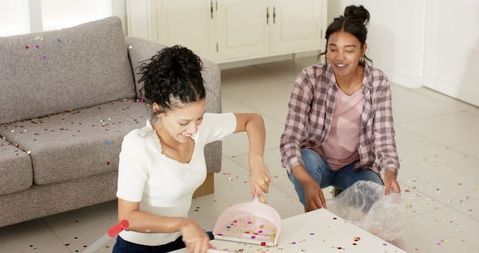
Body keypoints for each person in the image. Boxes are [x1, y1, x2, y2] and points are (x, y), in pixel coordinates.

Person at [113, 45, 271, 253]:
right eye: (184, 122)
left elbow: (253, 120)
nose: (193, 129)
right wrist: (184, 224)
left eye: (200, 118)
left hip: (180, 240)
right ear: (158, 109)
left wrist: (256, 161)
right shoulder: (138, 145)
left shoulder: (199, 128)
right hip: (139, 248)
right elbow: (127, 218)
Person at [280, 5, 400, 213]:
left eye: (349, 50)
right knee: (305, 162)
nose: (339, 57)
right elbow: (290, 139)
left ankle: (342, 194)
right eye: (333, 49)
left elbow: (384, 138)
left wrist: (390, 173)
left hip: (355, 167)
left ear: (363, 50)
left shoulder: (378, 82)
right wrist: (307, 182)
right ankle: (314, 215)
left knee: (379, 203)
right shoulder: (310, 78)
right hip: (315, 162)